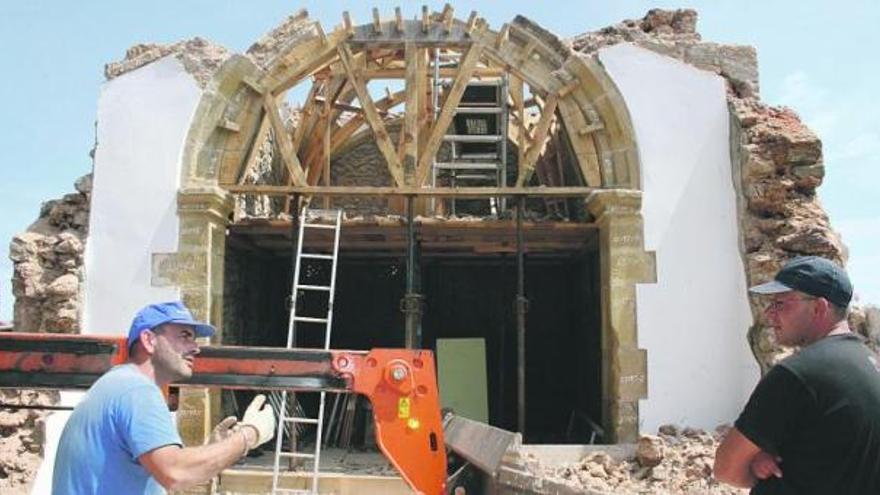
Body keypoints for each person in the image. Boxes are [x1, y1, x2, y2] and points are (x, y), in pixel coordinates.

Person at [52, 301, 276, 494]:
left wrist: (210, 450)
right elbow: (175, 473)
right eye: (185, 336)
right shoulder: (138, 392)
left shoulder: (117, 384)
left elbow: (160, 469)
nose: (195, 348)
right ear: (149, 340)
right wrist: (249, 436)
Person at [714, 256, 880, 494]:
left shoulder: (799, 374)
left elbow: (726, 468)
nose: (770, 314)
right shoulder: (871, 365)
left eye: (780, 303)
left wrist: (753, 462)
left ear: (819, 308)